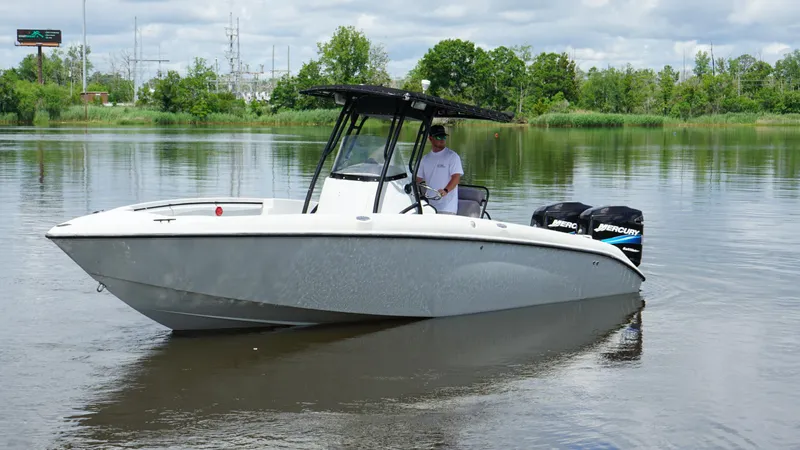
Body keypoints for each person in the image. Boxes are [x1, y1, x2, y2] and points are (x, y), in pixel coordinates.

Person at [416, 124, 463, 214]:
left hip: (447, 208)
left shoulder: (453, 156)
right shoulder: (425, 159)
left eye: (443, 137)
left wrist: (445, 191)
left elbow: (456, 178)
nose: (442, 139)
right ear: (430, 138)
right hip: (428, 207)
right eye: (438, 137)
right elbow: (418, 179)